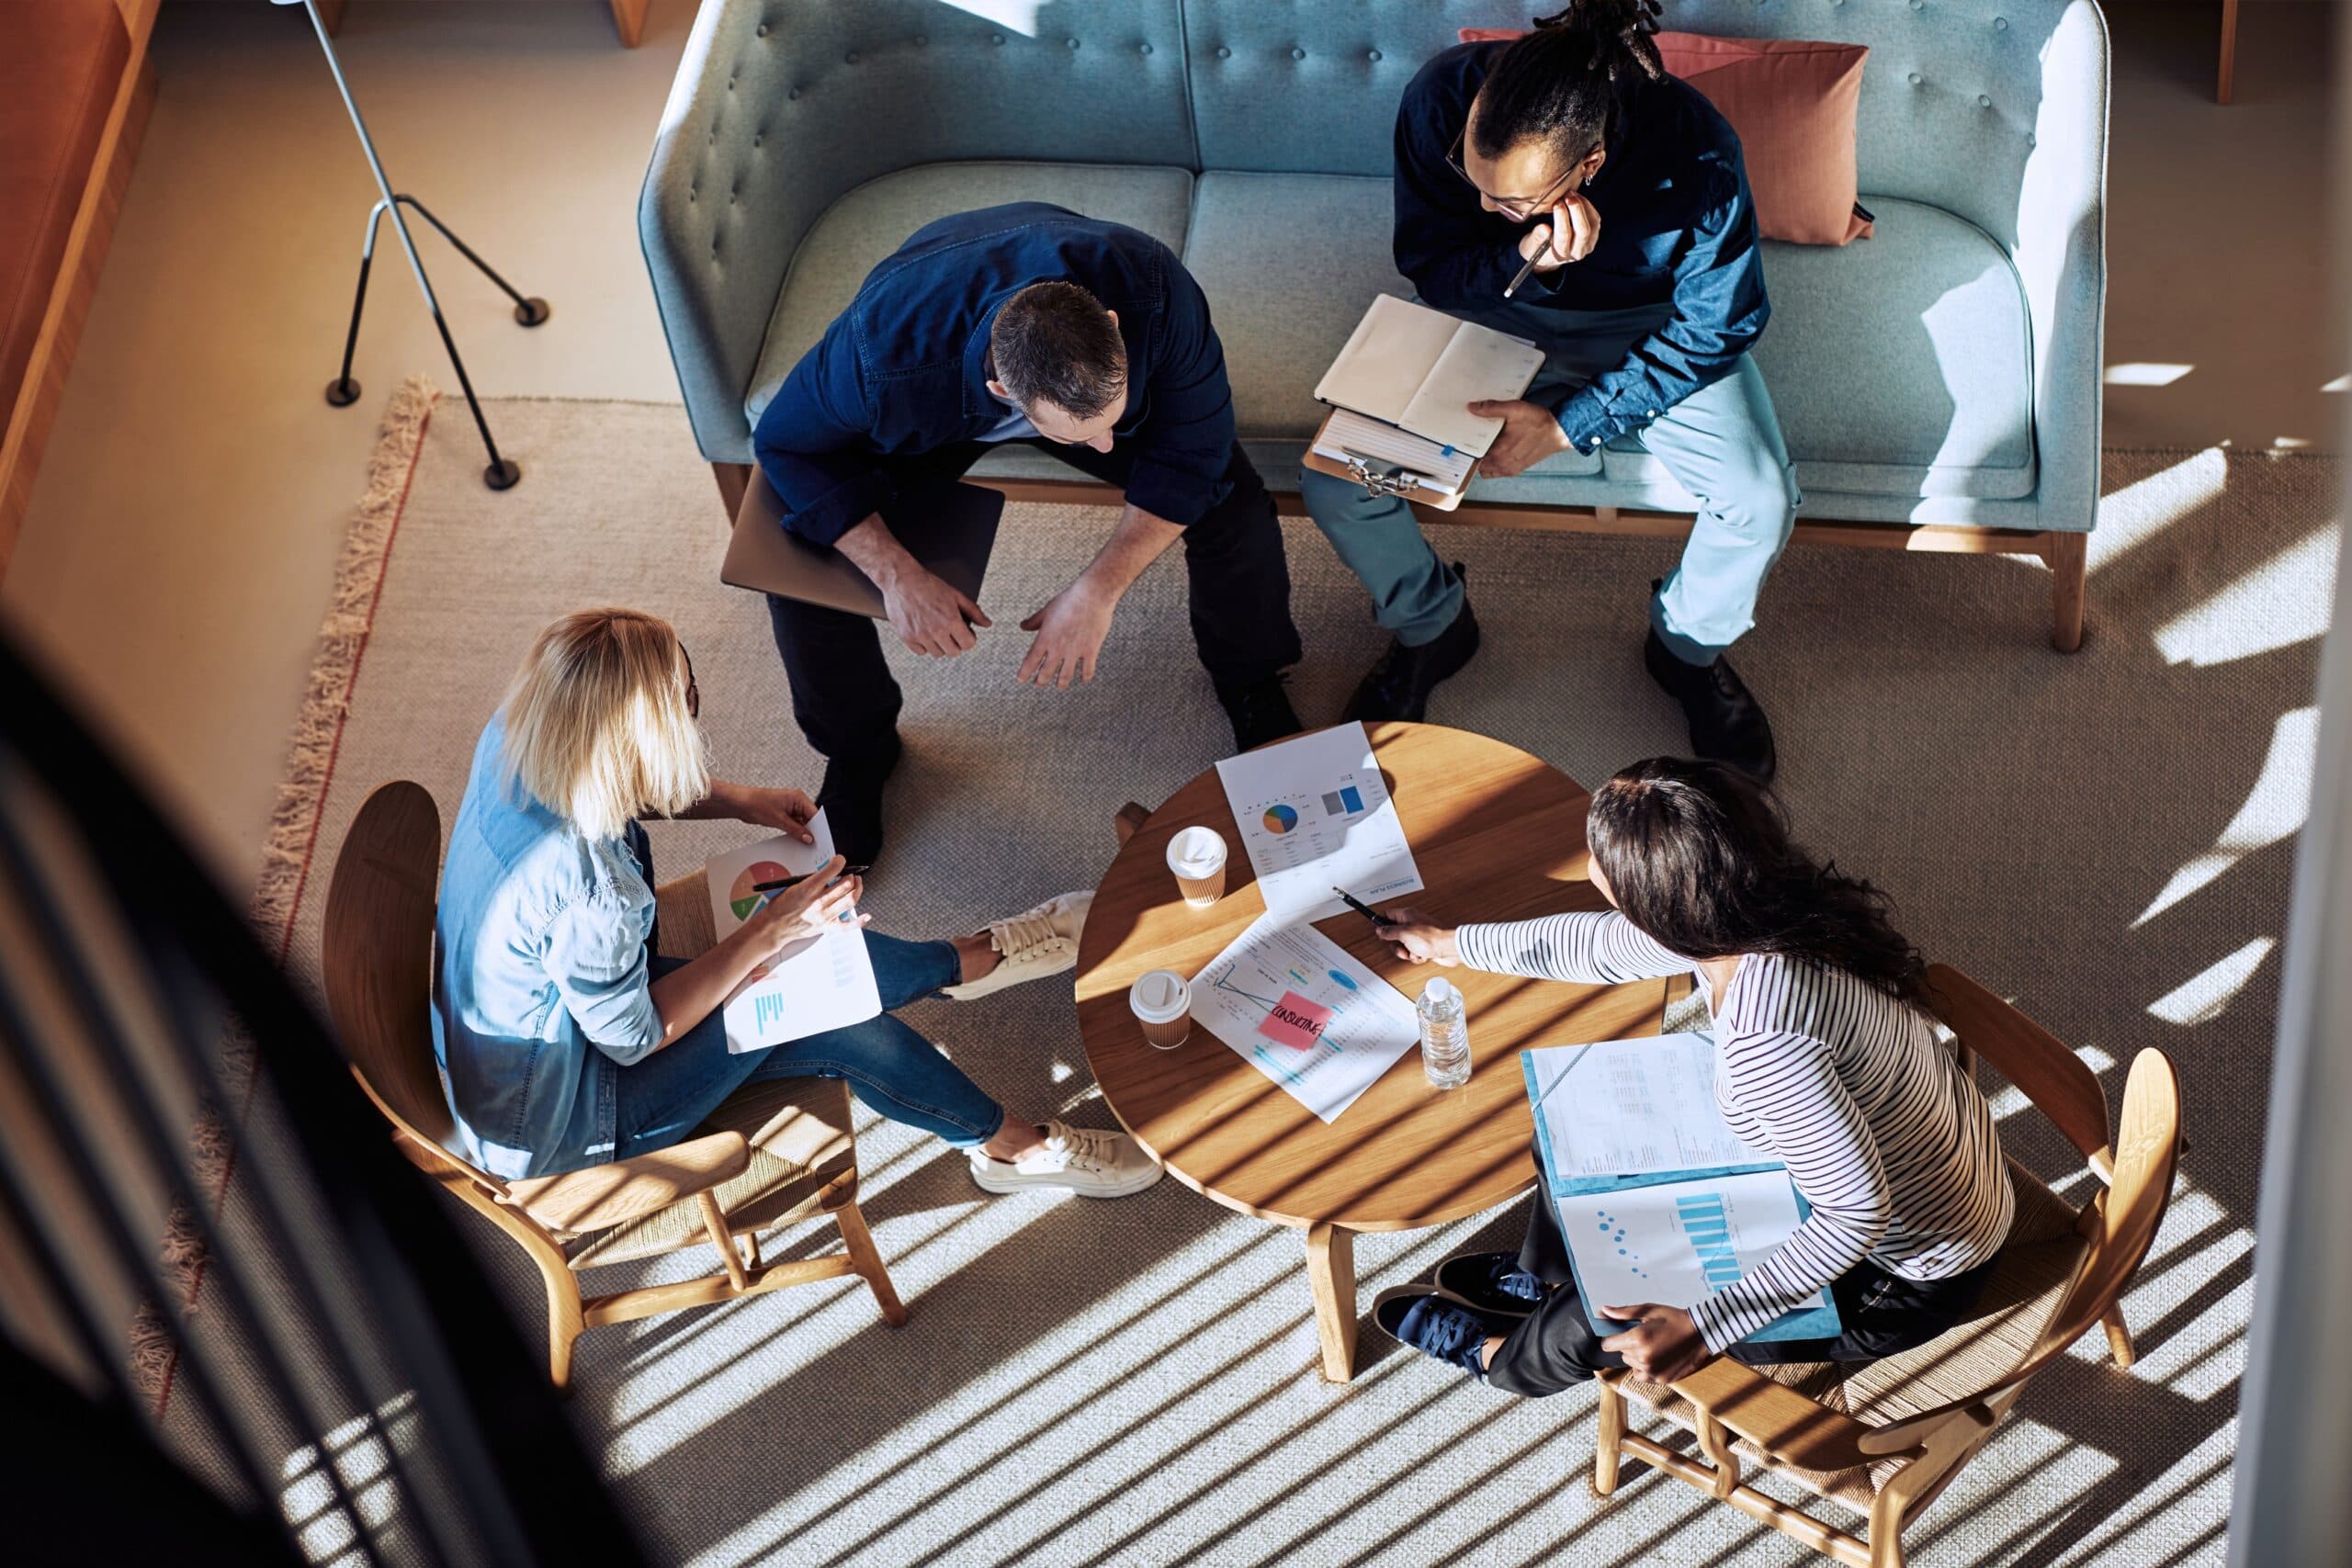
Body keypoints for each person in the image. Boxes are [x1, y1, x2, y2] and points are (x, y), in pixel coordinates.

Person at [430, 608, 1161, 1200]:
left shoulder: (524, 728)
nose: (695, 715)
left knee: (809, 964)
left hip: (546, 1027)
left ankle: (973, 960)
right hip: (572, 1113)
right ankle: (1014, 1148)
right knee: (835, 1021)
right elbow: (632, 1035)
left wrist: (736, 801)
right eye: (685, 709)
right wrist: (770, 932)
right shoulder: (591, 888)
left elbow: (619, 777)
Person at [1366, 758, 2012, 1393]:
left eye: (1602, 861)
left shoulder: (1770, 1042)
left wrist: (1705, 1325)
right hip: (1894, 1166)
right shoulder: (1751, 907)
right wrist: (1448, 942)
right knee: (1567, 1131)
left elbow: (1854, 1211)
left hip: (1896, 1280)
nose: (1591, 866)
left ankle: (1501, 1358)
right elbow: (1593, 945)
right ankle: (1549, 1275)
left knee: (1602, 1317)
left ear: (1659, 903)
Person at [1304, 0, 1798, 780]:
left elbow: (1721, 326)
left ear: (1588, 168)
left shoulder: (1698, 150)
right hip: (1493, 309)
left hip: (1646, 328)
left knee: (1761, 497)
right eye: (1474, 179)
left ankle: (1685, 649)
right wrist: (1520, 252)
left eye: (1506, 202)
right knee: (1337, 480)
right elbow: (1433, 265)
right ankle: (1433, 625)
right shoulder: (1437, 97)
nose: (1482, 207)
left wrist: (1570, 424)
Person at [752, 203, 1306, 863]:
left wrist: (1098, 589)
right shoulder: (882, 354)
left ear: (1112, 326)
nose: (1105, 446)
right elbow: (783, 443)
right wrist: (897, 574)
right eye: (1081, 435)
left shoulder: (1158, 290)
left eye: (1111, 417)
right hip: (931, 399)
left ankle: (1251, 679)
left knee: (1234, 505)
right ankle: (858, 751)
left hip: (1070, 361)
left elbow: (1195, 456)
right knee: (801, 560)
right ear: (1003, 392)